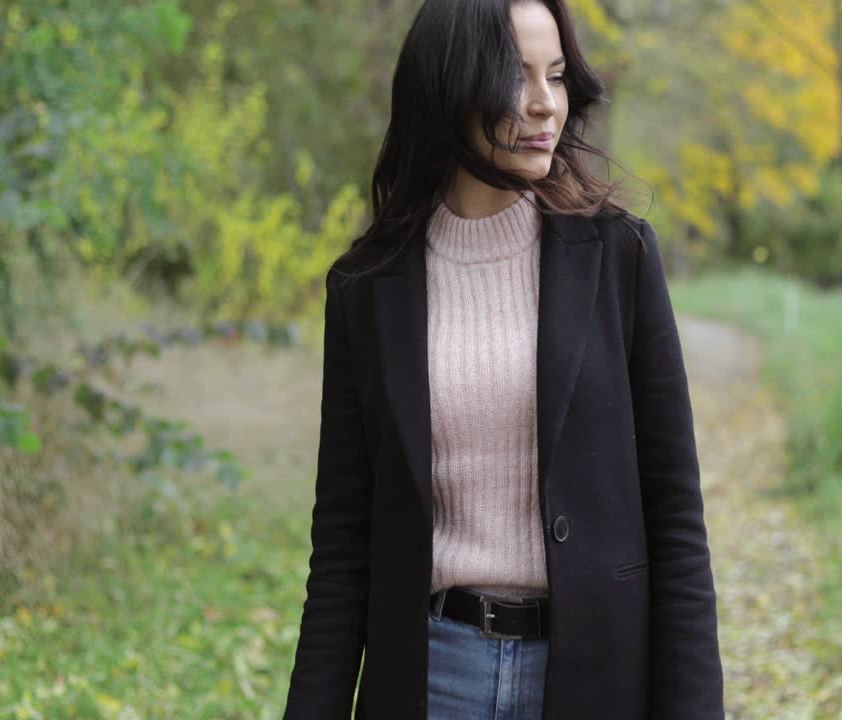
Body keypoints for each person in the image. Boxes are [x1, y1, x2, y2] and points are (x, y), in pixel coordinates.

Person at [281, 0, 723, 717]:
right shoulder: (367, 289)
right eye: (515, 76)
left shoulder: (619, 257)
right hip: (433, 678)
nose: (545, 104)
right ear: (450, 85)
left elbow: (675, 515)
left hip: (597, 676)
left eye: (556, 76)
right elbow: (342, 548)